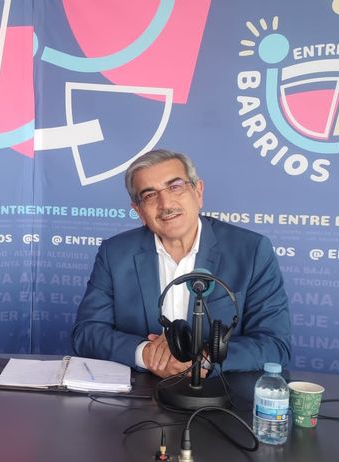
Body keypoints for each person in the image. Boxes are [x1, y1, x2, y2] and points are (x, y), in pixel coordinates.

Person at [72, 149, 290, 378]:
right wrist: (145, 353)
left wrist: (204, 360)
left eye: (175, 187)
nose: (166, 203)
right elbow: (86, 333)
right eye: (150, 195)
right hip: (139, 391)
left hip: (220, 391)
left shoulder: (251, 251)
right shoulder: (115, 253)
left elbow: (275, 344)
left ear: (198, 191)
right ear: (139, 211)